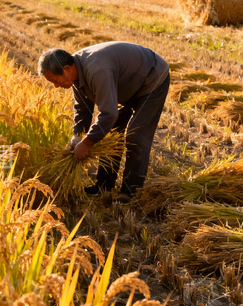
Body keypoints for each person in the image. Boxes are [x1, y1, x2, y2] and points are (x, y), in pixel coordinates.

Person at [38, 41, 170, 199]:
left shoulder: (97, 70)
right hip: (124, 84)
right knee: (110, 134)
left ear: (66, 69)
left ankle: (131, 191)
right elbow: (82, 109)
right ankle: (104, 186)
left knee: (136, 136)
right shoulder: (76, 75)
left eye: (55, 81)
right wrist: (77, 136)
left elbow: (109, 114)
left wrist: (87, 143)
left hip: (151, 79)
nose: (55, 86)